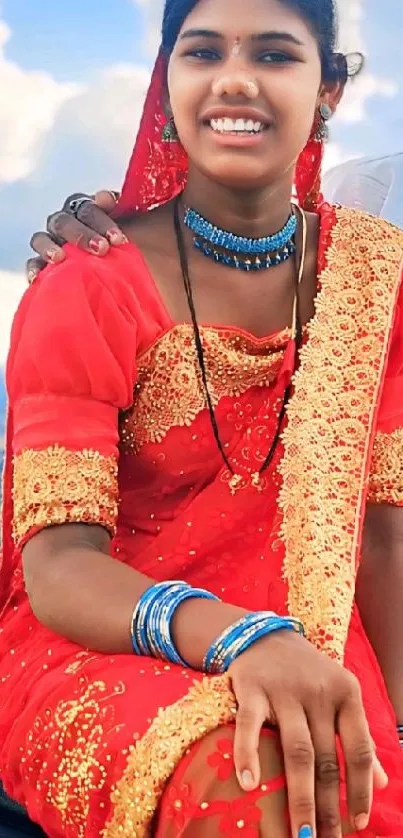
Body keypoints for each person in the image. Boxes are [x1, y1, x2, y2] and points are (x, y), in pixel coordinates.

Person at [1, 0, 403, 836]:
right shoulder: (89, 282)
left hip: (323, 649)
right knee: (244, 775)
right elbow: (59, 566)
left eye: (274, 54)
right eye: (202, 51)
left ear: (327, 88)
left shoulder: (375, 278)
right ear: (167, 82)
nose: (234, 79)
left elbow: (382, 535)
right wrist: (245, 639)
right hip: (108, 644)